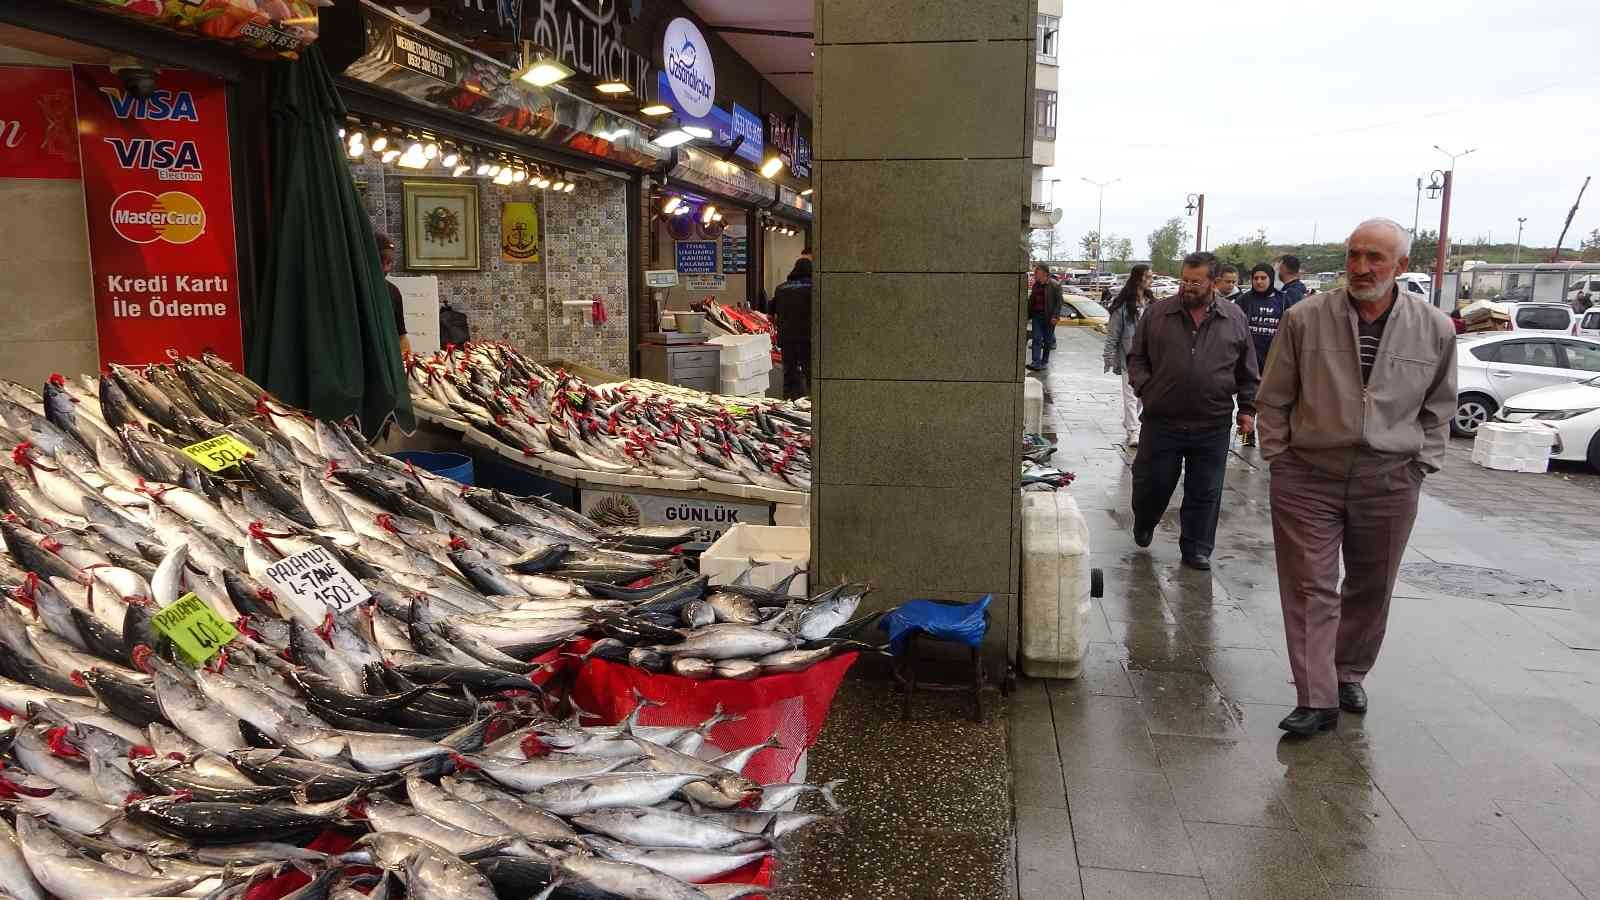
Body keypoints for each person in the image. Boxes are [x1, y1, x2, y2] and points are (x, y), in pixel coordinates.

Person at [1256, 218, 1456, 737]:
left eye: (1375, 259)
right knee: (1309, 586)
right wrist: (1280, 458)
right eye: (1354, 255)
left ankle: (1349, 673)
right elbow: (1274, 395)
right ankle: (1315, 697)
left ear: (1401, 267)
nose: (1361, 268)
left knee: (1371, 585)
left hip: (1390, 478)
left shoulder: (1434, 326)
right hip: (1309, 475)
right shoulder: (1304, 317)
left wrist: (1420, 464)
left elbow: (1439, 407)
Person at [1126, 252, 1260, 570]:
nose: (1187, 287)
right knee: (1151, 484)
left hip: (1211, 423)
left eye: (1195, 282)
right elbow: (1136, 358)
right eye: (1184, 280)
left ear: (1213, 283)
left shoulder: (1234, 318)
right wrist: (1147, 388)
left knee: (1206, 490)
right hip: (1162, 420)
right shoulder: (1158, 314)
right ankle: (1145, 520)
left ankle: (1197, 548)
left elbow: (1247, 368)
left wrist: (1248, 408)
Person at [1234, 263, 1289, 447]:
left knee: (1271, 404)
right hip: (1249, 361)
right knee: (1248, 403)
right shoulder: (1244, 300)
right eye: (1255, 278)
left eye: (1263, 278)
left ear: (1271, 279)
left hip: (1274, 361)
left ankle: (1271, 439)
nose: (1259, 282)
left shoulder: (1283, 300)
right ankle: (1246, 437)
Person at [1103, 264, 1154, 447]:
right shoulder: (1122, 306)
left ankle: (1131, 423)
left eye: (1151, 277)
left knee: (1143, 394)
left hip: (1151, 358)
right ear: (1138, 278)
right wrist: (1108, 357)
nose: (1151, 280)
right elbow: (1113, 335)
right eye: (1148, 276)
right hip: (1130, 358)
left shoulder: (1152, 303)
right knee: (1131, 395)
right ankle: (1133, 430)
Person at [772, 257, 813, 399]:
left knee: (790, 371)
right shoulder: (814, 287)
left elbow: (770, 313)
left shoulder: (781, 288)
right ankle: (811, 402)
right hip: (807, 338)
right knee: (810, 372)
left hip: (787, 338)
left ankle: (789, 400)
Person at [376, 233, 412, 357]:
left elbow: (401, 336)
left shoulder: (393, 291)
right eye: (381, 261)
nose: (386, 268)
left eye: (390, 262)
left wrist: (407, 364)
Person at [1026, 263, 1064, 371]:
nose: (1034, 275)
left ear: (1044, 273)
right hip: (1037, 316)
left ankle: (1044, 362)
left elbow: (1059, 303)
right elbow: (1031, 301)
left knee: (1047, 341)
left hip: (1049, 317)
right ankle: (1035, 362)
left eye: (1036, 273)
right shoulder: (1036, 285)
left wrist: (1055, 316)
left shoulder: (1055, 285)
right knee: (1036, 339)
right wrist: (1028, 314)